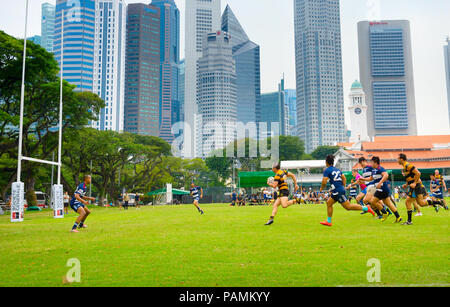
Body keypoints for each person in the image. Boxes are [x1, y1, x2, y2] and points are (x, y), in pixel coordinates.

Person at [319, 155, 375, 227]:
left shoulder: (327, 170)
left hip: (337, 191)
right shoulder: (337, 170)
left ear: (326, 162)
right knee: (329, 203)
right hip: (338, 190)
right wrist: (343, 186)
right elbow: (344, 178)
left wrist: (321, 189)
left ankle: (366, 208)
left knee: (348, 207)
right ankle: (328, 221)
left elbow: (324, 181)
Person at [397, 153, 442, 225]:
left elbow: (418, 173)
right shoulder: (404, 167)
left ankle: (409, 221)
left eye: (398, 158)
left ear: (401, 159)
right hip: (414, 186)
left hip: (416, 186)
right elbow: (410, 177)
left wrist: (414, 183)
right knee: (421, 203)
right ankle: (438, 202)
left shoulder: (408, 165)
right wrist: (406, 184)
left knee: (407, 202)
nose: (397, 160)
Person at [366, 157, 403, 223]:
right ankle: (398, 217)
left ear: (375, 162)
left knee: (373, 201)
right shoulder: (374, 170)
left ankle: (384, 213)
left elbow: (386, 175)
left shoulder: (380, 168)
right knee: (388, 204)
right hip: (382, 189)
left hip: (382, 189)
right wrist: (362, 179)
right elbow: (371, 178)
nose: (370, 164)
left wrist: (380, 183)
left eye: (371, 162)